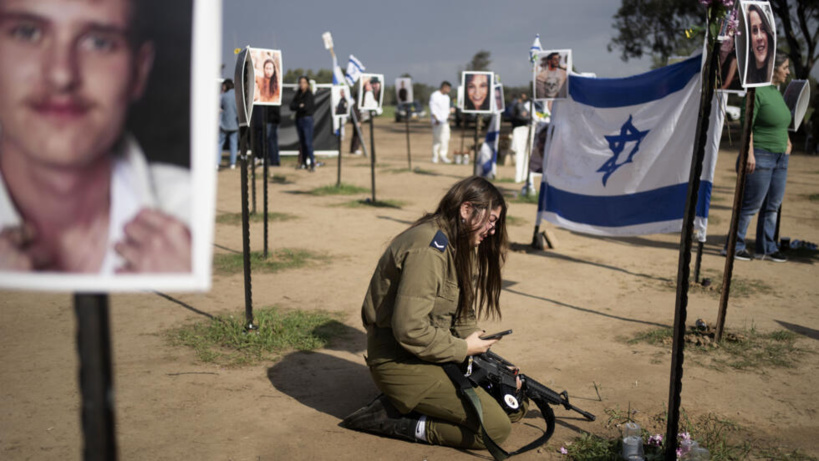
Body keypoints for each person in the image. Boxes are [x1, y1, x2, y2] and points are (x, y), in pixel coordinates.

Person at [0, 0, 192, 274]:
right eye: (27, 32)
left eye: (99, 42)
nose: (61, 74)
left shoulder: (189, 215)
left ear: (139, 69)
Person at [341, 176, 527, 452]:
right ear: (466, 210)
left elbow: (463, 314)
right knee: (496, 429)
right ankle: (393, 418)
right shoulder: (430, 248)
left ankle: (418, 406)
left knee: (514, 403)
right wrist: (463, 348)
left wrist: (485, 357)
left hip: (430, 353)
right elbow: (410, 329)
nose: (492, 229)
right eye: (491, 220)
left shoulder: (457, 244)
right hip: (400, 361)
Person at [723, 52, 792, 262]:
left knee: (773, 205)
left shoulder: (775, 92)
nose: (788, 72)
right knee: (751, 205)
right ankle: (734, 246)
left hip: (780, 157)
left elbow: (781, 121)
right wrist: (749, 153)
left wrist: (787, 141)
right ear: (774, 68)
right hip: (760, 155)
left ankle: (767, 248)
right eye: (785, 68)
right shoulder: (757, 91)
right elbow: (747, 124)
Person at [289, 76, 316, 171]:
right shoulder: (298, 94)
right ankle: (304, 162)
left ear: (307, 84)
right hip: (299, 119)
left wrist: (300, 106)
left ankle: (312, 162)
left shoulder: (309, 95)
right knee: (302, 143)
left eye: (304, 82)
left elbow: (307, 107)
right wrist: (299, 106)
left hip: (307, 120)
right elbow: (292, 106)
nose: (302, 84)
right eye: (300, 82)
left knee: (308, 142)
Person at [744, 4, 774, 85]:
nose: (759, 37)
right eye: (754, 30)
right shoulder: (745, 77)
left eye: (763, 29)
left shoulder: (775, 76)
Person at [429, 81, 454, 164]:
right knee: (437, 139)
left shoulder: (447, 97)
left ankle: (443, 155)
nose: (449, 90)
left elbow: (446, 110)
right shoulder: (435, 95)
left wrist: (449, 113)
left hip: (445, 121)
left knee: (445, 139)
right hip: (437, 121)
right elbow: (433, 108)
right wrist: (435, 119)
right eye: (448, 88)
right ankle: (435, 156)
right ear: (444, 87)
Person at [219, 79, 240, 169]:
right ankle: (233, 163)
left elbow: (220, 107)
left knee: (219, 143)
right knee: (233, 144)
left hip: (224, 124)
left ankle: (217, 162)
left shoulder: (223, 96)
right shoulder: (237, 95)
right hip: (235, 124)